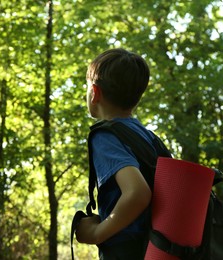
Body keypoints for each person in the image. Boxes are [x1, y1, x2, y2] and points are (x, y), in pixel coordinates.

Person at [76, 48, 157, 259]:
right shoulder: (147, 137)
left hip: (127, 251)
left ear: (95, 92)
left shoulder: (106, 136)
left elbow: (138, 193)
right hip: (155, 247)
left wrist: (96, 233)